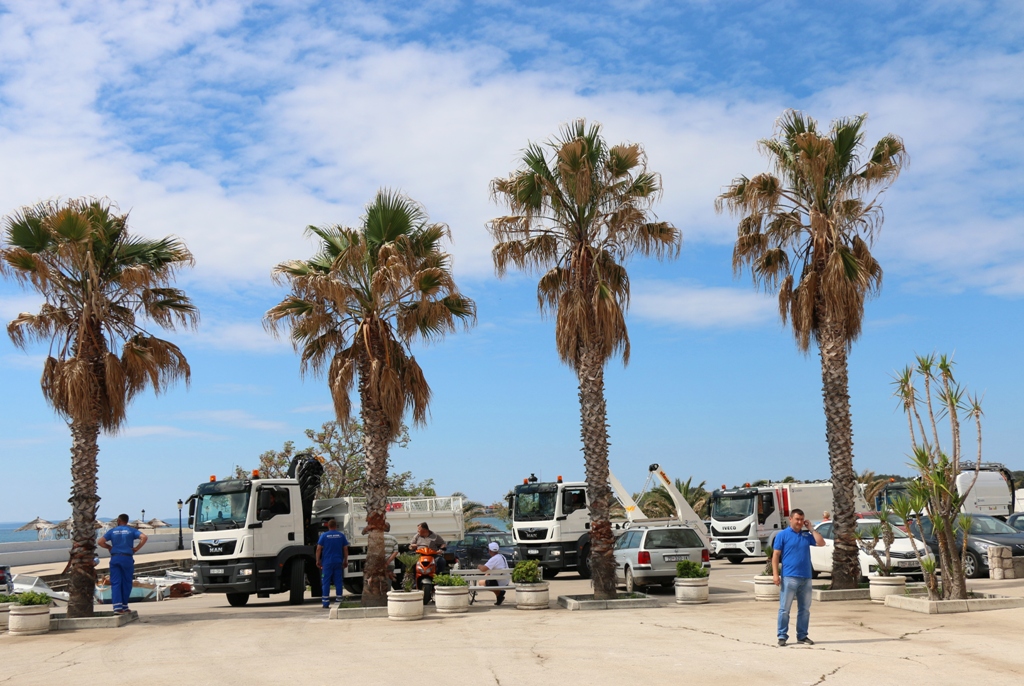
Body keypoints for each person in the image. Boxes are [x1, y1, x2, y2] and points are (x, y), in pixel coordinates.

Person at [772, 508, 825, 646]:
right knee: (784, 609)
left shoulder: (806, 536)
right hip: (789, 577)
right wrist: (776, 575)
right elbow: (776, 556)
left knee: (804, 610)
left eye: (802, 520)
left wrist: (811, 528)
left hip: (806, 577)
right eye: (797, 519)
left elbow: (821, 543)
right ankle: (782, 636)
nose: (800, 522)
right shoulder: (782, 535)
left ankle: (802, 636)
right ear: (790, 519)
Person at [97, 514, 148, 615]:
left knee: (116, 583)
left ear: (119, 520)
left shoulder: (112, 531)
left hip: (115, 558)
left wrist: (109, 547)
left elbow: (100, 542)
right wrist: (137, 548)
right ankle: (124, 606)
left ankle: (117, 607)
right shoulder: (131, 530)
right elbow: (144, 537)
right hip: (127, 558)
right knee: (127, 583)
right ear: (126, 521)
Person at [316, 518, 349, 609]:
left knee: (326, 582)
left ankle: (326, 603)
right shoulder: (341, 536)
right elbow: (345, 549)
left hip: (327, 563)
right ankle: (339, 601)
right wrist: (345, 560)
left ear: (328, 526)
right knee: (338, 581)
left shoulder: (324, 536)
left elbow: (319, 549)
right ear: (336, 526)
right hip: (338, 562)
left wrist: (317, 560)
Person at [476, 541, 509, 605]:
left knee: (480, 582)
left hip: (499, 582)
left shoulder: (494, 559)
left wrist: (479, 566)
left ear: (490, 551)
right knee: (488, 578)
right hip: (505, 580)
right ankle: (499, 595)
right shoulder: (502, 557)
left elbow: (483, 569)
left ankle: (499, 593)